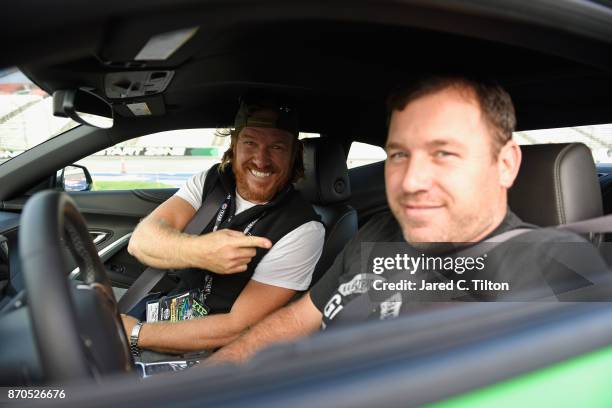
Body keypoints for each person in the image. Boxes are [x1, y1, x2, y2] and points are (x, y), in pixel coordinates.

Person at [206, 76, 608, 365]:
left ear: (504, 165)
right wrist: (213, 377)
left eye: (443, 153)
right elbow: (296, 319)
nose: (411, 182)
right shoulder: (379, 232)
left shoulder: (554, 267)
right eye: (399, 154)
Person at [121, 96, 325, 354]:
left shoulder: (304, 228)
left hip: (209, 352)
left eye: (277, 147)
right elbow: (141, 242)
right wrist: (201, 252)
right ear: (234, 144)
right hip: (169, 310)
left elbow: (237, 328)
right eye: (250, 142)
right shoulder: (210, 184)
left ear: (294, 155)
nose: (261, 160)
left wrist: (136, 333)